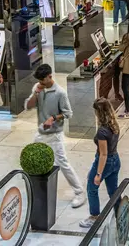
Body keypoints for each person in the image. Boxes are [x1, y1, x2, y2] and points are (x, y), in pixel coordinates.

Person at [25, 64, 86, 207]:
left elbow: (68, 113)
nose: (41, 83)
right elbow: (28, 106)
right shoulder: (38, 87)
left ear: (50, 77)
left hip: (55, 135)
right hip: (40, 133)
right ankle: (38, 191)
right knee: (35, 161)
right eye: (39, 81)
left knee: (63, 163)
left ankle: (79, 192)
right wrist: (36, 93)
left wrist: (53, 118)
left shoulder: (60, 93)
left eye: (43, 81)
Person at [79, 98, 121, 228]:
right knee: (113, 191)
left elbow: (103, 154)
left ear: (99, 113)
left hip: (105, 162)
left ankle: (94, 216)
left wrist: (98, 174)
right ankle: (120, 214)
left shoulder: (102, 131)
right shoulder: (114, 124)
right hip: (116, 160)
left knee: (92, 188)